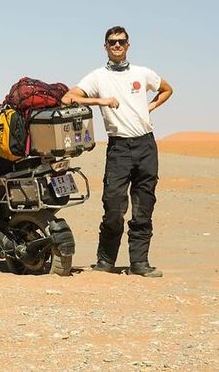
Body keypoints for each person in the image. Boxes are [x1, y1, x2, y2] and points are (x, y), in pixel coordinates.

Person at [62, 26, 173, 277]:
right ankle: (105, 261)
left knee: (143, 207)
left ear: (128, 45)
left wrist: (148, 108)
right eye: (112, 42)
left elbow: (167, 89)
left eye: (121, 41)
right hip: (119, 148)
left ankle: (140, 263)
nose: (117, 45)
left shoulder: (142, 73)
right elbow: (68, 98)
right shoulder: (98, 77)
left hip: (145, 145)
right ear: (105, 46)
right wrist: (100, 101)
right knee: (113, 207)